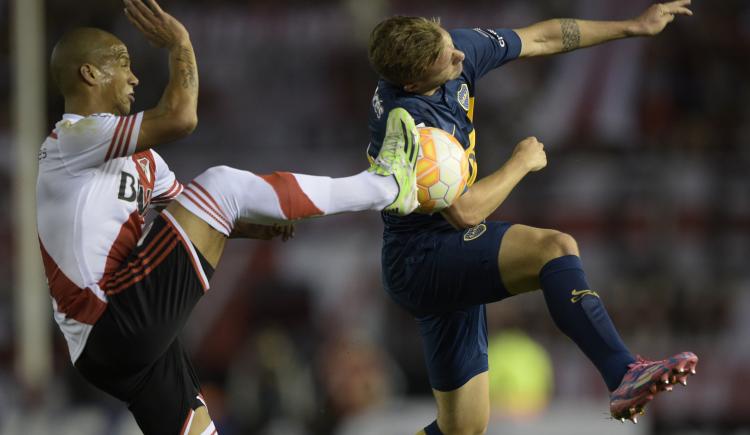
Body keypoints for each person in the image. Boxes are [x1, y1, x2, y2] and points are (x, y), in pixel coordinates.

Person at [37, 0, 421, 434]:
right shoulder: (71, 139)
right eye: (122, 64)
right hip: (110, 321)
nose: (134, 76)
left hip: (123, 345)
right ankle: (386, 186)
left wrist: (258, 228)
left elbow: (191, 219)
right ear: (90, 74)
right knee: (222, 183)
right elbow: (183, 118)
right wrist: (180, 43)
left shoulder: (140, 161)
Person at [366, 2, 698, 434]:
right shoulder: (408, 125)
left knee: (462, 429)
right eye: (446, 60)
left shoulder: (451, 49)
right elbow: (465, 213)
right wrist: (521, 162)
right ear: (412, 83)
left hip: (431, 258)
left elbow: (542, 37)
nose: (460, 57)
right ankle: (623, 372)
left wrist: (633, 27)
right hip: (425, 257)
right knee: (553, 248)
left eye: (450, 44)